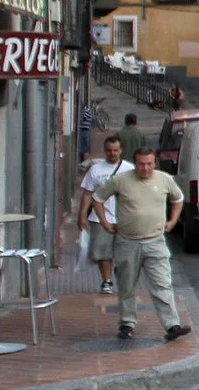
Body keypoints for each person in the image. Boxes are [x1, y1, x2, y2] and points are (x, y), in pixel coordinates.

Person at [99, 149, 190, 342]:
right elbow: (98, 198)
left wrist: (173, 220)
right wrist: (105, 223)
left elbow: (178, 199)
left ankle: (172, 325)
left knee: (162, 283)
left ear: (155, 163)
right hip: (127, 242)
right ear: (135, 164)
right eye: (141, 164)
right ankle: (127, 323)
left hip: (155, 241)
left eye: (149, 164)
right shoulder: (120, 180)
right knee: (127, 285)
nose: (146, 168)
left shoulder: (164, 179)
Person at [76, 134, 127, 294]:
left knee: (125, 250)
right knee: (103, 251)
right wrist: (82, 215)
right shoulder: (96, 169)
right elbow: (87, 193)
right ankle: (107, 280)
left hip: (125, 217)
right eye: (109, 150)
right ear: (105, 151)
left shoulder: (129, 169)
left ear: (121, 150)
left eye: (115, 150)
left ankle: (121, 272)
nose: (112, 153)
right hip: (99, 218)